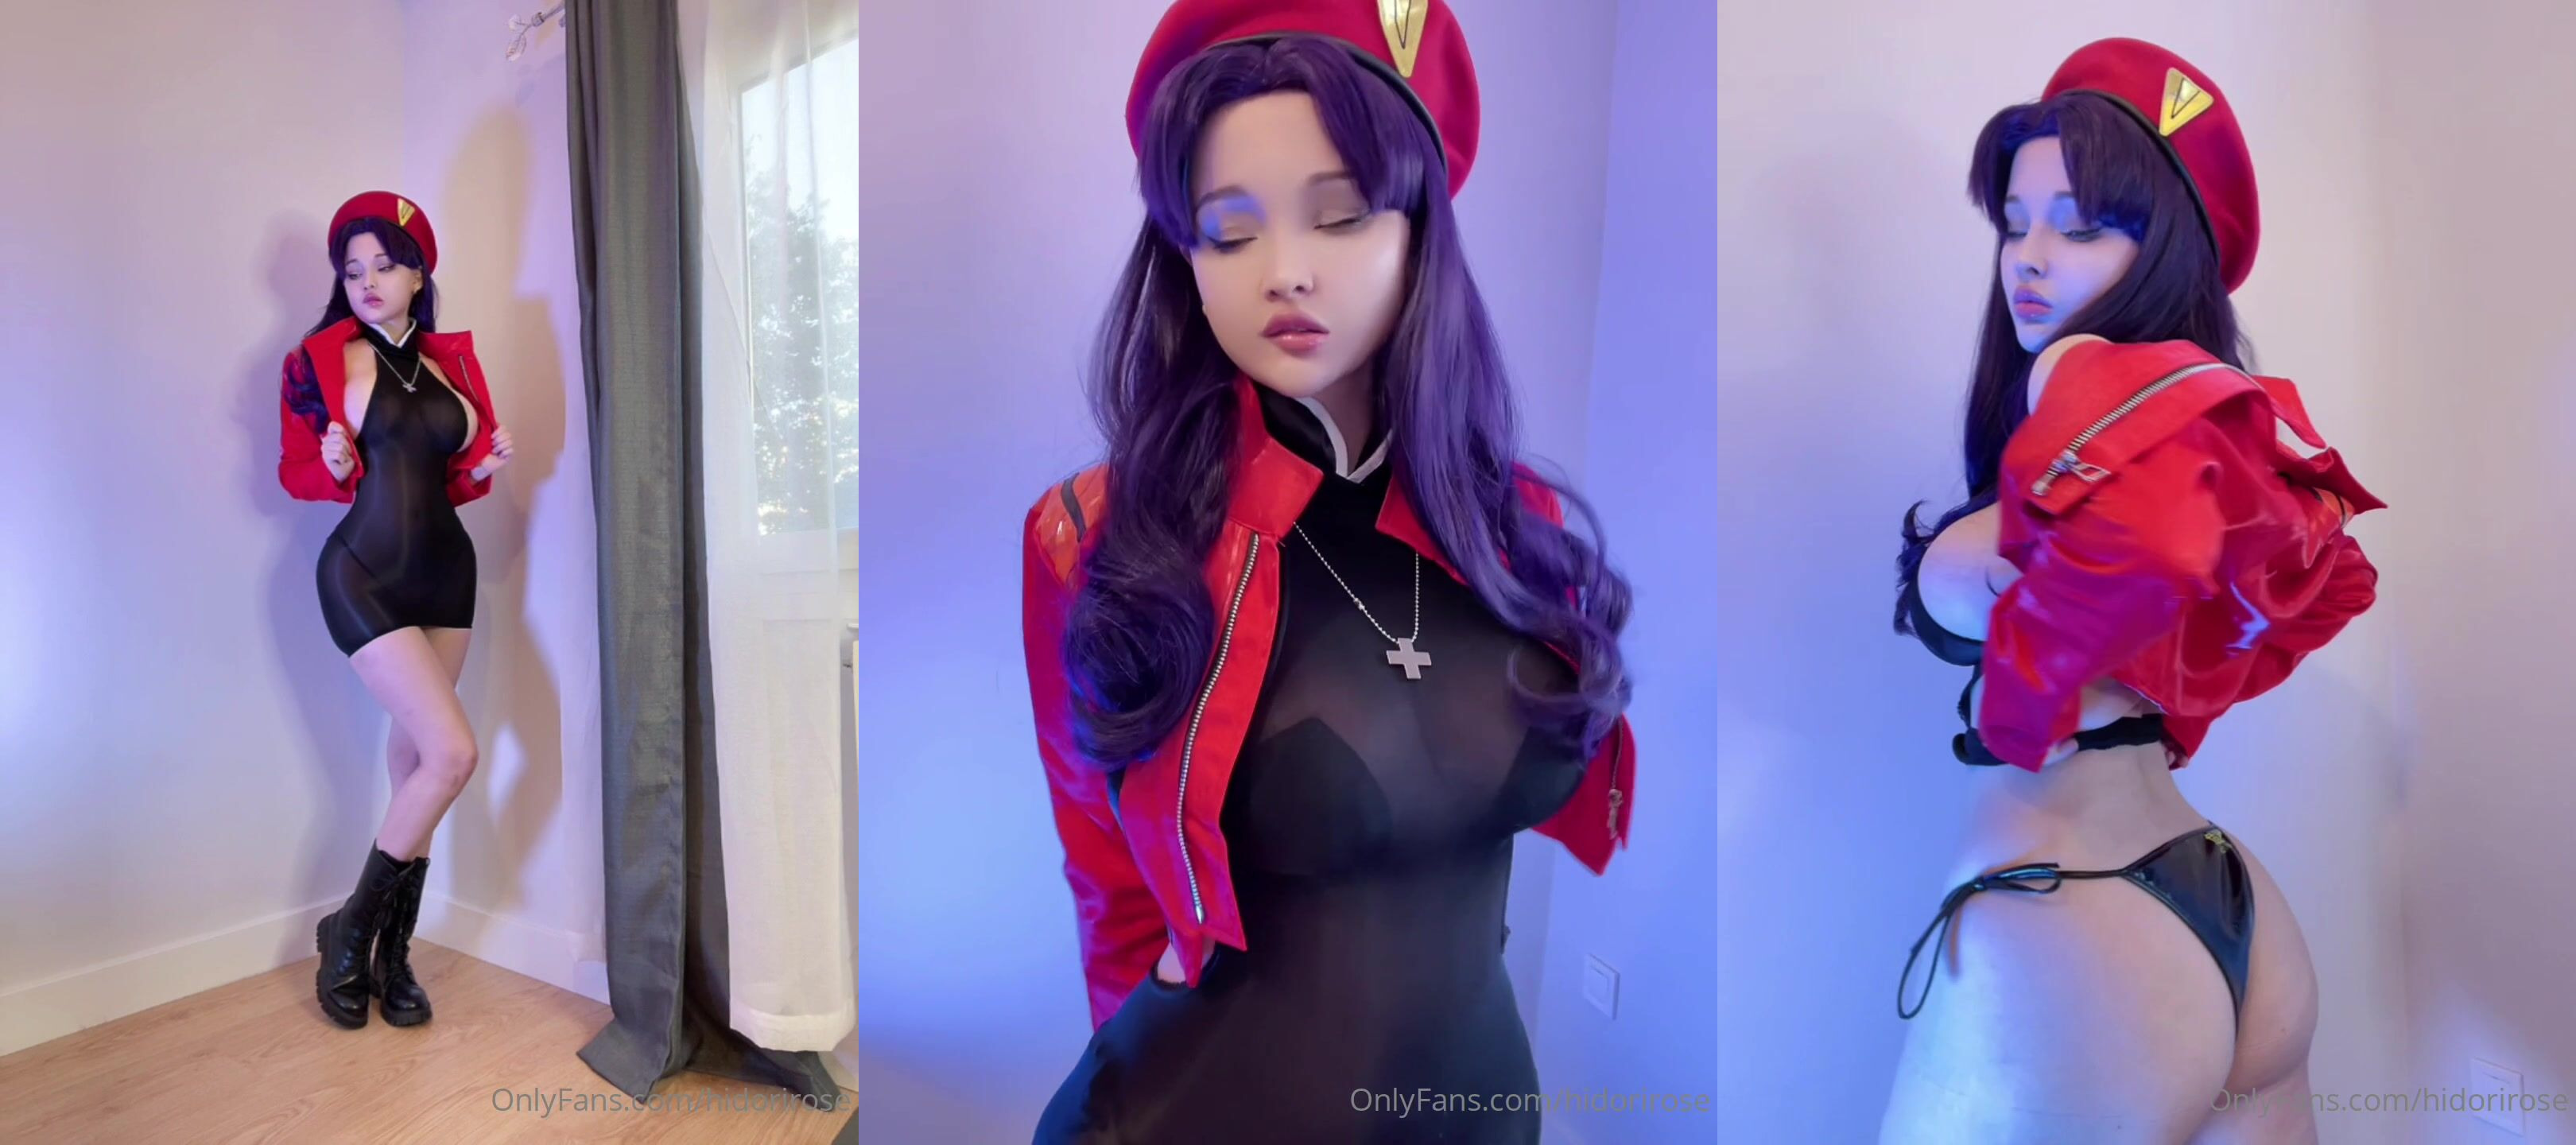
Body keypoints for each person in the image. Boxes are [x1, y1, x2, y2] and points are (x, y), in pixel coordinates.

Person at [1018, 2, 1638, 1140]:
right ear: (1186, 260)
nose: (1287, 272)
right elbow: (1106, 878)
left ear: (1419, 234)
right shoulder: (1099, 540)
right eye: (1228, 231)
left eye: (1342, 215)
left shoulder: (1517, 526)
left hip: (1485, 1107)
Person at [1878, 40, 2385, 1142]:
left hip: (2073, 922)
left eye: (2080, 227)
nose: (2029, 259)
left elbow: (2145, 558)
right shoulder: (2210, 439)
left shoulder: (2089, 393)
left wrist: (2029, 691)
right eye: (2016, 223)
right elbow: (2273, 598)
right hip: (2229, 901)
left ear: (2162, 253)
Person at [277, 190, 516, 1030]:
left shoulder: (453, 365)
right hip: (363, 572)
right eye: (352, 271)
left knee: (420, 764)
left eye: (384, 265)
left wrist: (481, 467)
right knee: (456, 754)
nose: (367, 281)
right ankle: (349, 930)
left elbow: (446, 476)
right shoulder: (322, 360)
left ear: (418, 274)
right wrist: (334, 461)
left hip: (446, 574)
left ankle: (393, 955)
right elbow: (299, 471)